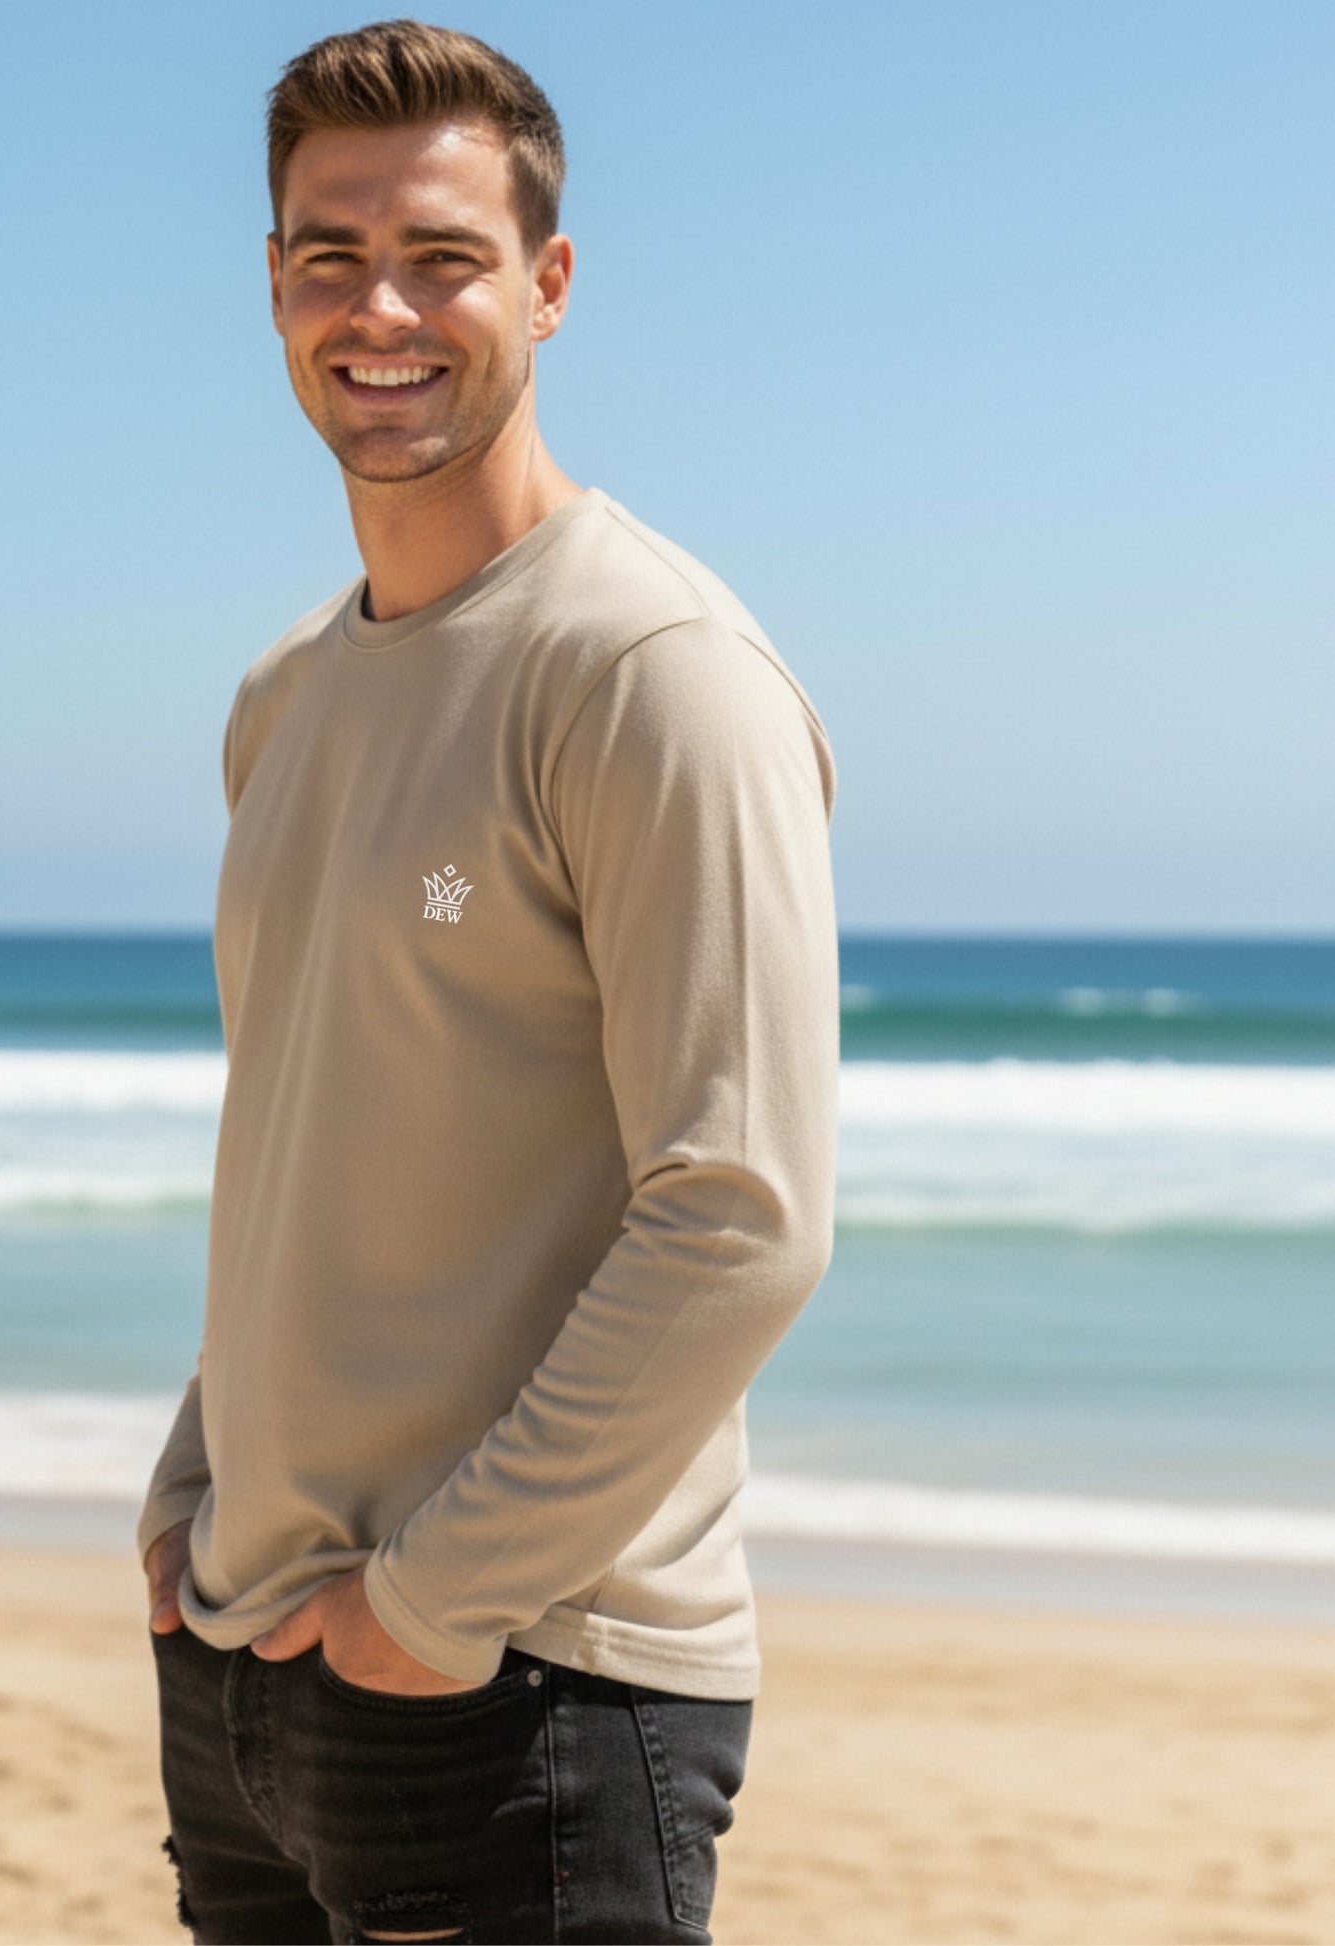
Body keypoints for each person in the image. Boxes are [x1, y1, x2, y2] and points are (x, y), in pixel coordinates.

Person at [136, 18, 839, 1944]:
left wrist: (425, 1610)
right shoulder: (284, 702)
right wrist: (189, 1491)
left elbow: (742, 1213)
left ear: (544, 283)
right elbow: (311, 1131)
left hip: (528, 1679)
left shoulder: (651, 675)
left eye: (440, 254)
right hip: (253, 1656)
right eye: (323, 255)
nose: (379, 306)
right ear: (271, 289)